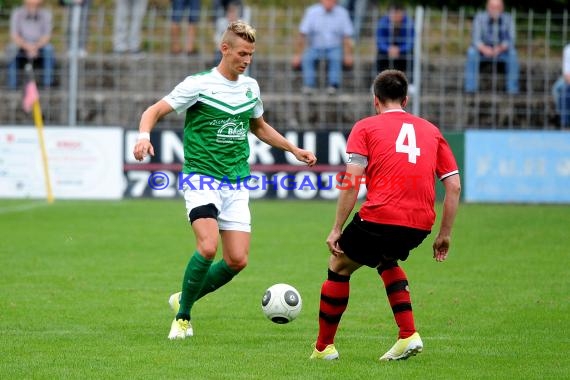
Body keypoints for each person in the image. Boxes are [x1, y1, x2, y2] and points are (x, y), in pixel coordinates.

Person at [132, 20, 318, 340]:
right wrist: (143, 136)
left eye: (251, 55)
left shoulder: (250, 87)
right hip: (202, 178)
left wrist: (292, 148)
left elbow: (258, 126)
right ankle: (183, 317)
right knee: (207, 248)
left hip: (236, 182)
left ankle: (184, 296)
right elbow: (153, 110)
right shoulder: (198, 84)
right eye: (242, 53)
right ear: (225, 49)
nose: (246, 60)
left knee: (236, 260)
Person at [310, 69, 461, 361]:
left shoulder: (366, 127)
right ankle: (408, 335)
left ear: (375, 100)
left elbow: (352, 181)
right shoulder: (431, 130)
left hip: (380, 216)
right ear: (405, 99)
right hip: (420, 223)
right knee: (385, 259)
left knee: (339, 265)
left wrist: (337, 227)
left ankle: (323, 348)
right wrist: (444, 234)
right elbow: (453, 186)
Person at [291, 0, 354, 95]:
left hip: (334, 47)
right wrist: (297, 55)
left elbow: (347, 37)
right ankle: (309, 86)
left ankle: (333, 86)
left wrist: (348, 55)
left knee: (335, 58)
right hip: (315, 46)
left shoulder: (342, 13)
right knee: (307, 58)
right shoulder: (312, 12)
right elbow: (302, 35)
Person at [464, 0, 519, 94]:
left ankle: (512, 90)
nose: (495, 10)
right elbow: (475, 39)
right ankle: (470, 89)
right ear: (487, 7)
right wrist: (484, 49)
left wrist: (499, 48)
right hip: (483, 50)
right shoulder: (479, 18)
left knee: (513, 53)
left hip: (502, 51)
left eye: (498, 7)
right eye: (492, 7)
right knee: (471, 52)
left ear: (502, 8)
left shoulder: (508, 19)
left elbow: (511, 39)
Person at [5, 0, 55, 89]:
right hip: (22, 45)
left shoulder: (46, 14)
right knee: (11, 48)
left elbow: (47, 36)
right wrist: (27, 47)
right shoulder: (17, 13)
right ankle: (12, 85)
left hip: (39, 46)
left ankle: (48, 84)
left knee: (49, 49)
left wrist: (35, 46)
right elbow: (15, 36)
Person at [375, 4, 414, 82]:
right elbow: (379, 41)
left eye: (398, 14)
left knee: (411, 57)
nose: (396, 17)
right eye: (393, 14)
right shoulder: (382, 22)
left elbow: (411, 42)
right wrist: (388, 49)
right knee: (380, 57)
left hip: (403, 51)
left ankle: (411, 83)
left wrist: (399, 49)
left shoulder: (409, 23)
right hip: (387, 50)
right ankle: (377, 82)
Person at [552, 44, 570, 128]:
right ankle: (564, 123)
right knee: (558, 89)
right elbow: (567, 75)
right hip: (568, 79)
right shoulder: (568, 49)